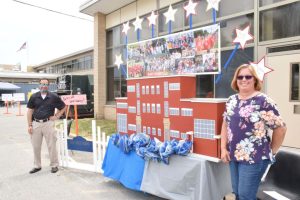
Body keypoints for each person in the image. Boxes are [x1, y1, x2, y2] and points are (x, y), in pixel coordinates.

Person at [221, 64, 287, 200]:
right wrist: (223, 148)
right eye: (240, 76)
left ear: (255, 79)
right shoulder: (231, 100)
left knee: (246, 195)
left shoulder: (264, 101)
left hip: (254, 158)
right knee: (237, 193)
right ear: (235, 80)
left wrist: (272, 152)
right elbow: (225, 124)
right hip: (234, 156)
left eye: (248, 76)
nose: (243, 79)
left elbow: (281, 128)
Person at [27, 78, 66, 174]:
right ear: (39, 85)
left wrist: (57, 116)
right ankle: (37, 166)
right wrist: (29, 125)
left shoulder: (54, 97)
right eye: (42, 84)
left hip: (48, 124)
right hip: (36, 123)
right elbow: (30, 111)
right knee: (36, 146)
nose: (44, 85)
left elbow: (64, 107)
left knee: (51, 145)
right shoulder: (33, 97)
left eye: (46, 84)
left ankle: (54, 165)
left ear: (48, 86)